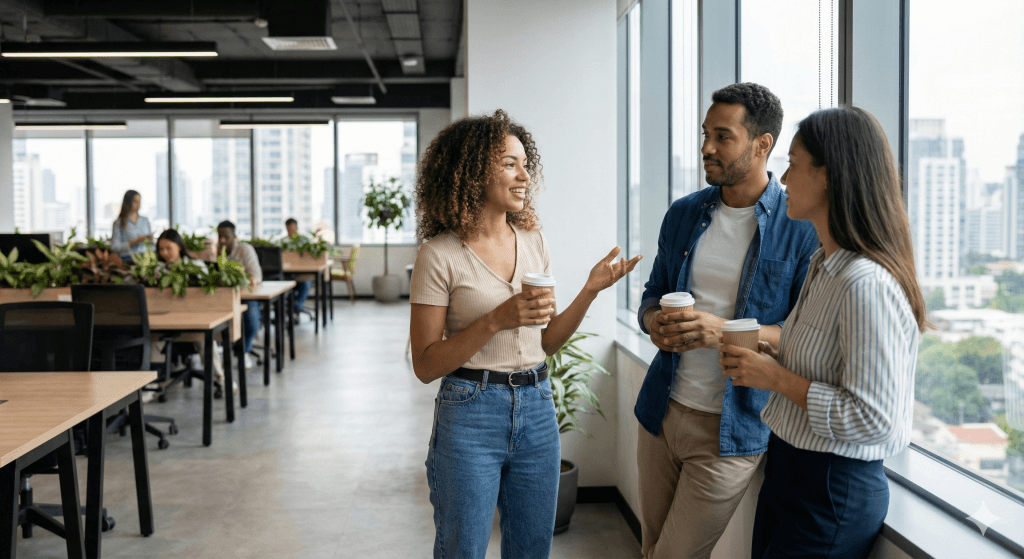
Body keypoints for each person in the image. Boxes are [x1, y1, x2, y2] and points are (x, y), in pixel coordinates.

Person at [409, 109, 641, 559]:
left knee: (533, 549)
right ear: (472, 172)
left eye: (525, 163)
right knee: (463, 549)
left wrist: (590, 290)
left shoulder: (533, 240)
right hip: (470, 411)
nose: (524, 174)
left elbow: (545, 342)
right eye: (509, 163)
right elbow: (425, 364)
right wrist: (497, 319)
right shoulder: (438, 255)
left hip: (536, 406)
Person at [720, 106, 926, 558]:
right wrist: (769, 364)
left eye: (793, 164)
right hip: (791, 470)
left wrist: (773, 378)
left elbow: (875, 418)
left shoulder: (867, 284)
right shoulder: (823, 264)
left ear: (830, 175)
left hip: (832, 489)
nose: (785, 180)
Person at [633, 83, 819, 559]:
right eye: (704, 134)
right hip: (661, 412)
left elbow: (801, 338)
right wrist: (654, 321)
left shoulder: (800, 229)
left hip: (733, 429)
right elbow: (651, 296)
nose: (706, 148)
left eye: (723, 136)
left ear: (762, 144)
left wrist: (722, 332)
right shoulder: (684, 214)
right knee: (652, 546)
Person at [217, 221, 263, 369]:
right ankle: (224, 352)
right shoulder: (217, 251)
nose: (222, 241)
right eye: (220, 237)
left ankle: (244, 350)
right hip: (223, 297)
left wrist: (239, 280)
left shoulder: (245, 250)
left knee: (250, 320)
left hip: (245, 296)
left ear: (234, 236)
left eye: (226, 237)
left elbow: (255, 276)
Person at [110, 189, 152, 261]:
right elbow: (115, 247)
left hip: (145, 258)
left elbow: (150, 245)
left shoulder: (145, 221)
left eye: (139, 201)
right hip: (127, 258)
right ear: (128, 202)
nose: (138, 204)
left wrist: (150, 239)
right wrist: (135, 242)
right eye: (135, 201)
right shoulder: (118, 223)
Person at [284, 217, 312, 317]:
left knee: (305, 284)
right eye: (288, 229)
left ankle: (296, 307)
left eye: (292, 229)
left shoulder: (304, 241)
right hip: (287, 274)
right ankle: (288, 308)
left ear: (296, 228)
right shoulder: (283, 242)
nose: (291, 232)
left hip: (302, 274)